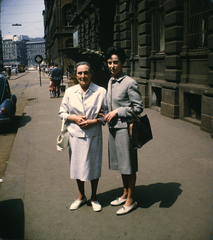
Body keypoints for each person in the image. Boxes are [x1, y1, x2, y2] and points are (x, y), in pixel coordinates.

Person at [59, 61, 108, 212]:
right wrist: (74, 118)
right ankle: (81, 196)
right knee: (77, 167)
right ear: (76, 75)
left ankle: (94, 197)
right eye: (80, 73)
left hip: (93, 135)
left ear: (91, 74)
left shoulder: (101, 91)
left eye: (86, 72)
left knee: (93, 166)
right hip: (75, 135)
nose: (83, 76)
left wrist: (95, 121)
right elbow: (62, 112)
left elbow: (107, 114)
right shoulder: (69, 92)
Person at [104, 47, 143, 215]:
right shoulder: (111, 81)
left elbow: (138, 107)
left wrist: (117, 112)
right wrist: (105, 112)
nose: (112, 65)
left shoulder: (129, 82)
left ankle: (131, 199)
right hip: (113, 129)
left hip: (126, 130)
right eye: (110, 62)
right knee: (121, 164)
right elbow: (110, 104)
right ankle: (125, 193)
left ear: (122, 63)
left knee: (128, 165)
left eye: (115, 62)